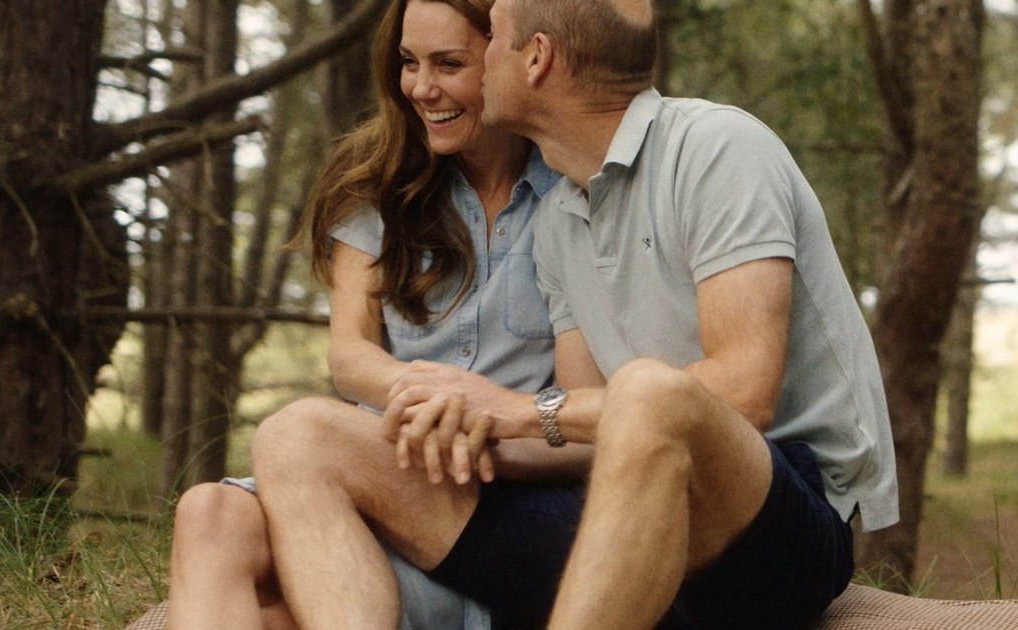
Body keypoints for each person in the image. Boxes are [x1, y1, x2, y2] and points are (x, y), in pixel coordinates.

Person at [259, 1, 901, 629]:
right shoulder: (562, 214)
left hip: (769, 531)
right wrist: (471, 433)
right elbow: (579, 433)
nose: (477, 62)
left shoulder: (716, 147)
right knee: (299, 433)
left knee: (650, 390)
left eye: (493, 39)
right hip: (623, 525)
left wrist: (517, 410)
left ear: (535, 57)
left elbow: (744, 391)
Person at [164, 0, 582, 628]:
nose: (421, 87)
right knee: (208, 513)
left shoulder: (573, 194)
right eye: (409, 63)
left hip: (494, 491)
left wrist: (481, 418)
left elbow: (584, 407)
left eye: (449, 63)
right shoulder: (379, 181)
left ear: (513, 59)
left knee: (293, 454)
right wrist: (431, 400)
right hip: (365, 463)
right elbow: (350, 355)